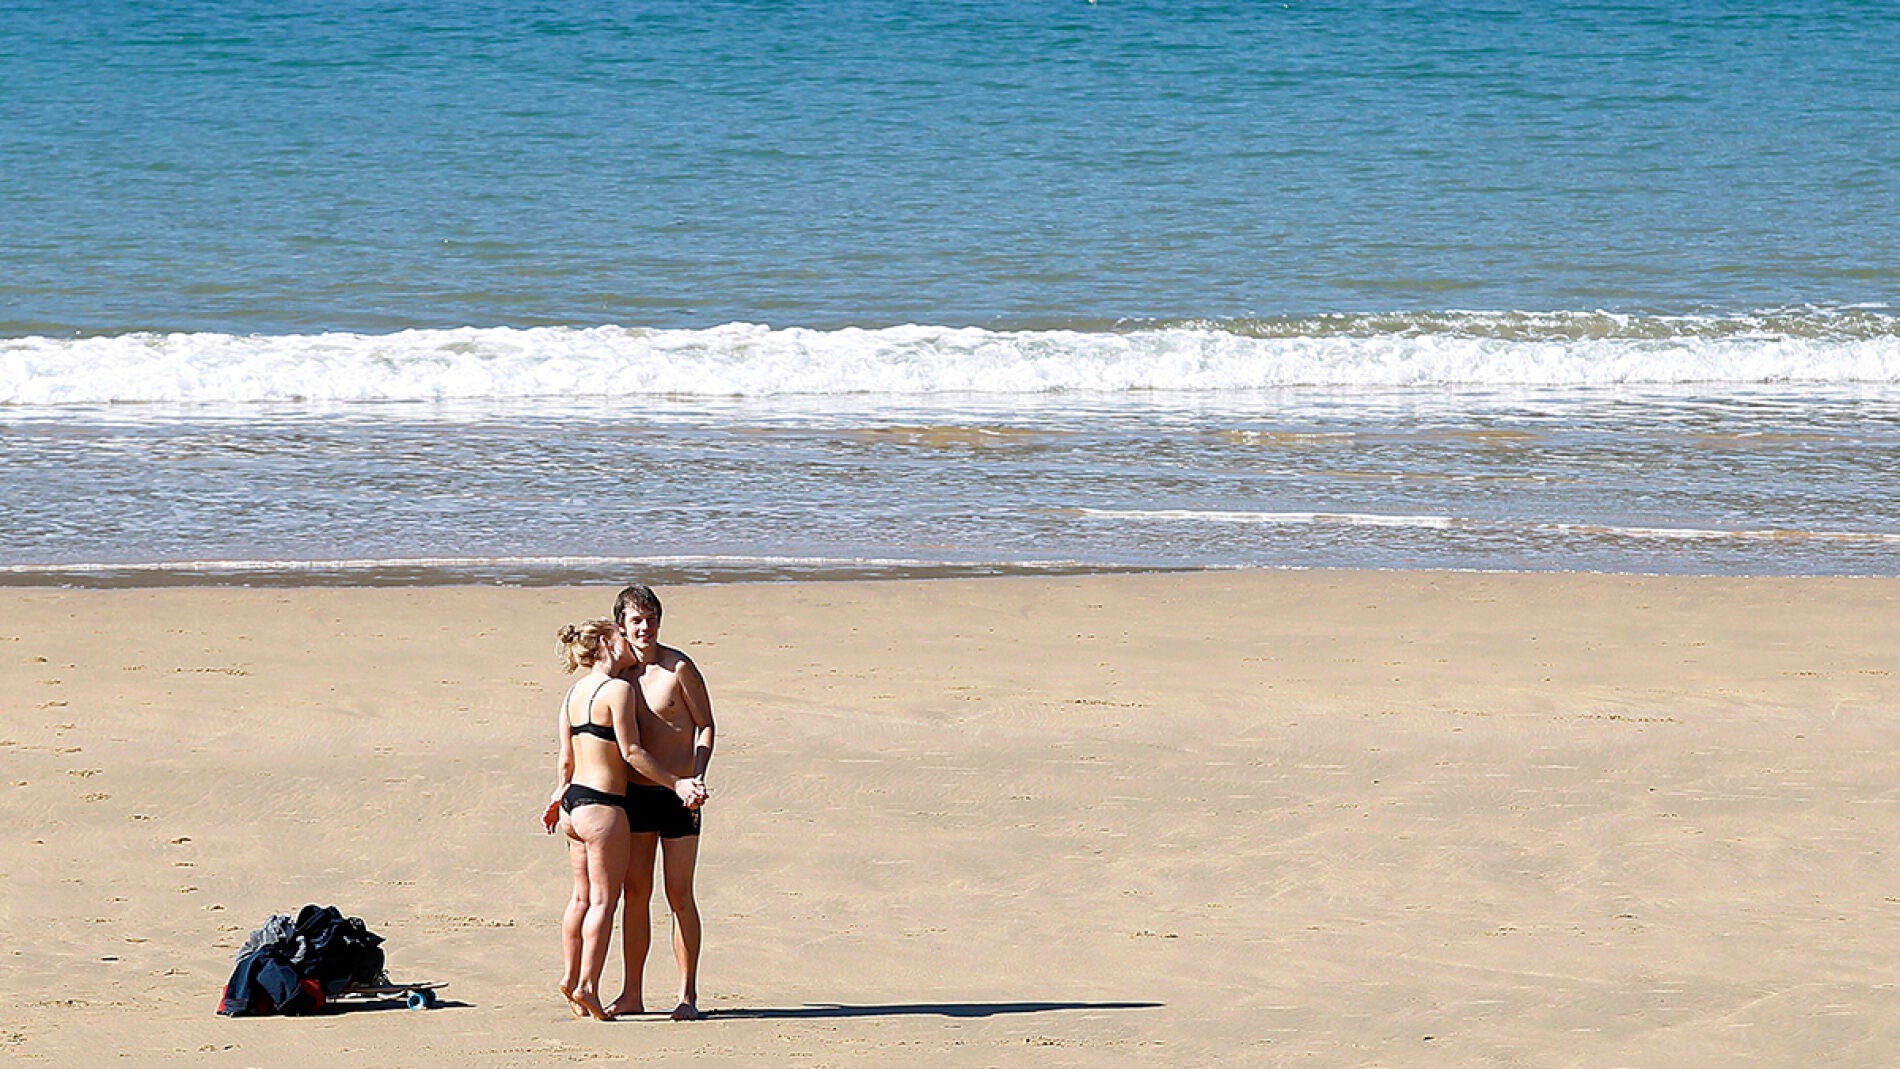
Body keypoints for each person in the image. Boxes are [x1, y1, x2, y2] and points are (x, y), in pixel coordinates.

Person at [605, 584, 716, 1021]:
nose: (645, 627)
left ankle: (687, 995)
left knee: (679, 894)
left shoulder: (679, 668)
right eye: (636, 620)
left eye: (651, 619)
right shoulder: (617, 676)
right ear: (622, 627)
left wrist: (698, 775)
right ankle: (632, 993)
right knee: (635, 893)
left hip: (681, 796)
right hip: (634, 795)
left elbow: (705, 726)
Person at [542, 618, 638, 1021]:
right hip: (603, 807)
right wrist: (675, 781)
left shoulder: (572, 694)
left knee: (580, 898)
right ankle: (588, 986)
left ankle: (570, 976)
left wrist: (555, 795)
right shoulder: (618, 690)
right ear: (606, 642)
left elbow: (566, 758)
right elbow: (631, 751)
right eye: (620, 635)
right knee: (603, 900)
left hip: (572, 805)